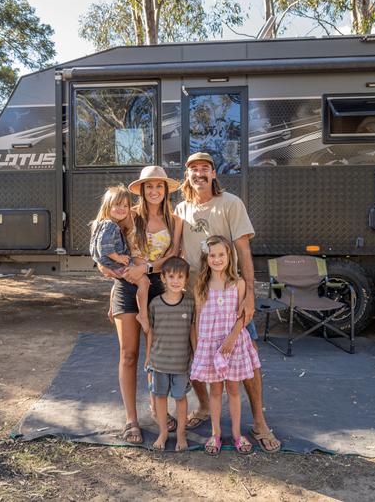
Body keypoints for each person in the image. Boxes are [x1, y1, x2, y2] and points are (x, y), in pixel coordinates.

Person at [174, 151, 282, 453]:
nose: (199, 173)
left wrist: (249, 295)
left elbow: (244, 251)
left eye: (205, 168)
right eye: (193, 169)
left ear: (214, 174)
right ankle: (206, 407)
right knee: (196, 353)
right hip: (196, 296)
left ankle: (259, 421)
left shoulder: (230, 204)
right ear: (187, 176)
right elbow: (175, 252)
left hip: (231, 294)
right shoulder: (181, 209)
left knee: (246, 357)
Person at [98, 166, 184, 445]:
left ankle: (157, 409)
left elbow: (172, 255)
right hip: (126, 287)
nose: (154, 191)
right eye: (149, 187)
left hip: (159, 288)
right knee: (129, 354)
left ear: (166, 190)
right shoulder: (128, 215)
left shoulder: (175, 220)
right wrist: (110, 271)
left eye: (159, 186)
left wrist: (145, 268)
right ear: (142, 190)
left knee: (156, 355)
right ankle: (131, 419)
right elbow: (103, 244)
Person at [190, 235, 259, 455]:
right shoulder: (201, 285)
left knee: (233, 389)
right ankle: (216, 433)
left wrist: (232, 338)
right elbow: (199, 317)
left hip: (233, 343)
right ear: (206, 258)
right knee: (216, 391)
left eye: (221, 254)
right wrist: (199, 347)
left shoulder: (238, 284)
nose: (217, 259)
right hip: (210, 345)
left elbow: (242, 316)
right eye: (212, 255)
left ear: (229, 256)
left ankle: (238, 434)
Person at [143, 256, 196, 451]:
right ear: (163, 278)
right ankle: (163, 432)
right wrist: (148, 356)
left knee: (180, 398)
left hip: (181, 363)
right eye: (171, 276)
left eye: (180, 277)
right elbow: (151, 333)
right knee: (160, 397)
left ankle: (181, 433)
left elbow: (192, 330)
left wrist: (196, 354)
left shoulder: (189, 303)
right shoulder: (155, 304)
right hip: (159, 362)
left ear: (186, 279)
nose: (175, 281)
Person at [89, 185, 151, 332]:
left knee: (118, 282)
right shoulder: (110, 225)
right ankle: (143, 314)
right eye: (117, 205)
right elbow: (105, 247)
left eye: (125, 205)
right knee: (144, 281)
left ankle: (112, 309)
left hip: (111, 263)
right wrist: (118, 258)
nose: (122, 209)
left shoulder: (102, 224)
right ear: (107, 206)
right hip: (114, 262)